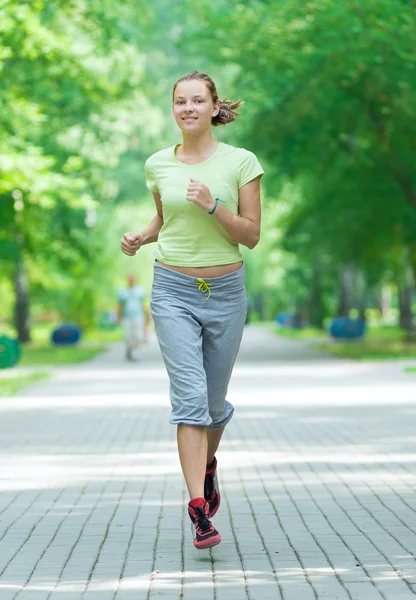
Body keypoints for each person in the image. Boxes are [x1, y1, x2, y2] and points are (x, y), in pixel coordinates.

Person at [120, 71, 264, 549]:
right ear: (173, 109)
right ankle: (199, 509)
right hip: (172, 289)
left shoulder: (241, 162)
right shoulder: (158, 164)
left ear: (213, 106)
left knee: (214, 407)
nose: (188, 108)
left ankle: (207, 466)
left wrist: (212, 206)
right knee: (190, 402)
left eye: (197, 101)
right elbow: (165, 218)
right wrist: (142, 236)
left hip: (225, 292)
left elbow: (250, 234)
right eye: (180, 101)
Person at [117, 274, 147, 361]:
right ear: (127, 280)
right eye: (130, 279)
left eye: (132, 279)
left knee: (138, 335)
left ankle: (134, 354)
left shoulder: (140, 291)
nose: (131, 281)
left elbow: (144, 304)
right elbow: (119, 305)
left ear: (135, 280)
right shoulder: (123, 292)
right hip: (127, 317)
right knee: (128, 336)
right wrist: (118, 316)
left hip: (138, 316)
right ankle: (129, 351)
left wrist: (147, 316)